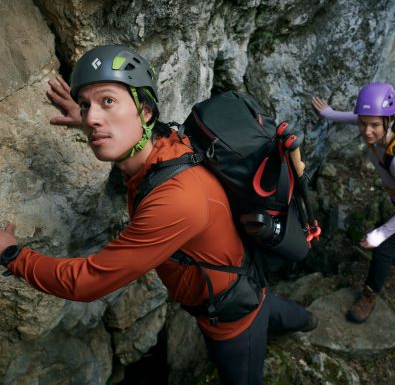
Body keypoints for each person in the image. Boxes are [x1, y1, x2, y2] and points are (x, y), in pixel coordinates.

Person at [0, 45, 317, 385]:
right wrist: (88, 121)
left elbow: (87, 282)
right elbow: (124, 133)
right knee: (273, 310)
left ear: (146, 112)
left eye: (107, 101)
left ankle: (305, 322)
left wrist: (12, 255)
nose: (92, 117)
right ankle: (311, 321)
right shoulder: (168, 143)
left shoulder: (175, 200)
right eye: (85, 105)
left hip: (229, 318)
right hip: (244, 280)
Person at [312, 82, 395, 323]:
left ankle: (368, 296)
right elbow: (358, 118)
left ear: (390, 121)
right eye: (363, 123)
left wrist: (380, 234)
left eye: (374, 125)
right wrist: (329, 114)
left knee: (384, 249)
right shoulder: (377, 125)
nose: (367, 131)